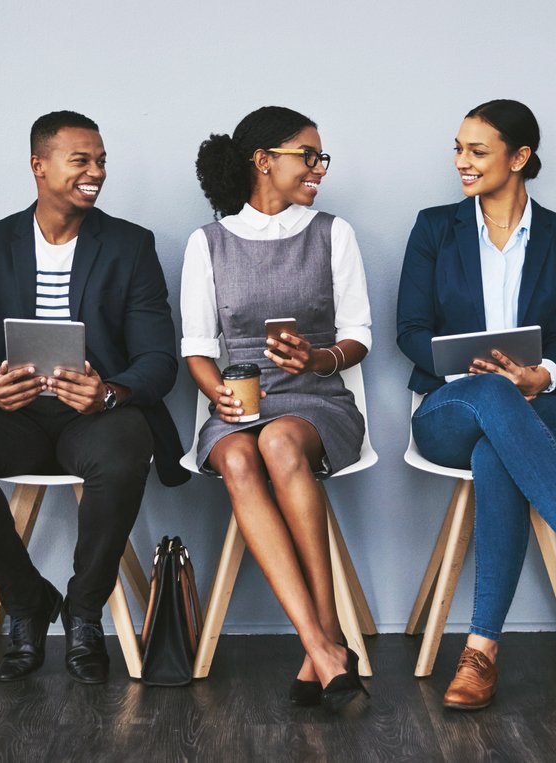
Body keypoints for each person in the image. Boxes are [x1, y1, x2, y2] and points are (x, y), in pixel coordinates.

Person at [0, 111, 188, 685]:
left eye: (101, 162)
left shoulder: (131, 246)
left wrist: (109, 392)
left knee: (124, 452)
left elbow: (158, 360)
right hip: (13, 416)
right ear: (38, 166)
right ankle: (26, 600)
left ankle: (86, 611)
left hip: (94, 418)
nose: (95, 172)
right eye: (81, 161)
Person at [396, 100, 556, 711]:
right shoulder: (433, 227)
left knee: (498, 450)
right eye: (458, 149)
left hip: (537, 407)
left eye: (477, 151)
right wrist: (469, 367)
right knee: (491, 401)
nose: (461, 163)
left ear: (520, 158)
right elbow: (410, 328)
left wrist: (542, 373)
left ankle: (481, 653)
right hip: (448, 407)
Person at [182, 106, 371, 712]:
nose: (318, 168)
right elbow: (197, 348)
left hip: (316, 398)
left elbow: (359, 334)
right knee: (239, 457)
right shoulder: (206, 243)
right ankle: (323, 643)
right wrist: (221, 394)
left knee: (280, 443)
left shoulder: (332, 233)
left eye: (321, 158)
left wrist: (317, 358)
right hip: (236, 398)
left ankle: (324, 641)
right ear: (263, 161)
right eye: (306, 156)